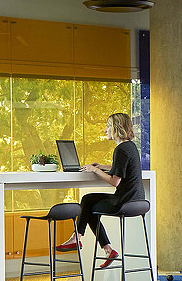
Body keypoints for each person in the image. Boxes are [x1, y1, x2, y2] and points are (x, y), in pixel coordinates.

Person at [56, 113, 144, 269]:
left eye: (108, 126)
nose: (105, 130)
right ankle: (106, 249)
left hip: (123, 202)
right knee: (89, 201)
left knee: (88, 203)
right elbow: (121, 167)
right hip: (137, 200)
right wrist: (102, 166)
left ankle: (80, 238)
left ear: (117, 128)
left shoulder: (121, 150)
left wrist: (94, 170)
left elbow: (115, 181)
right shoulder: (130, 146)